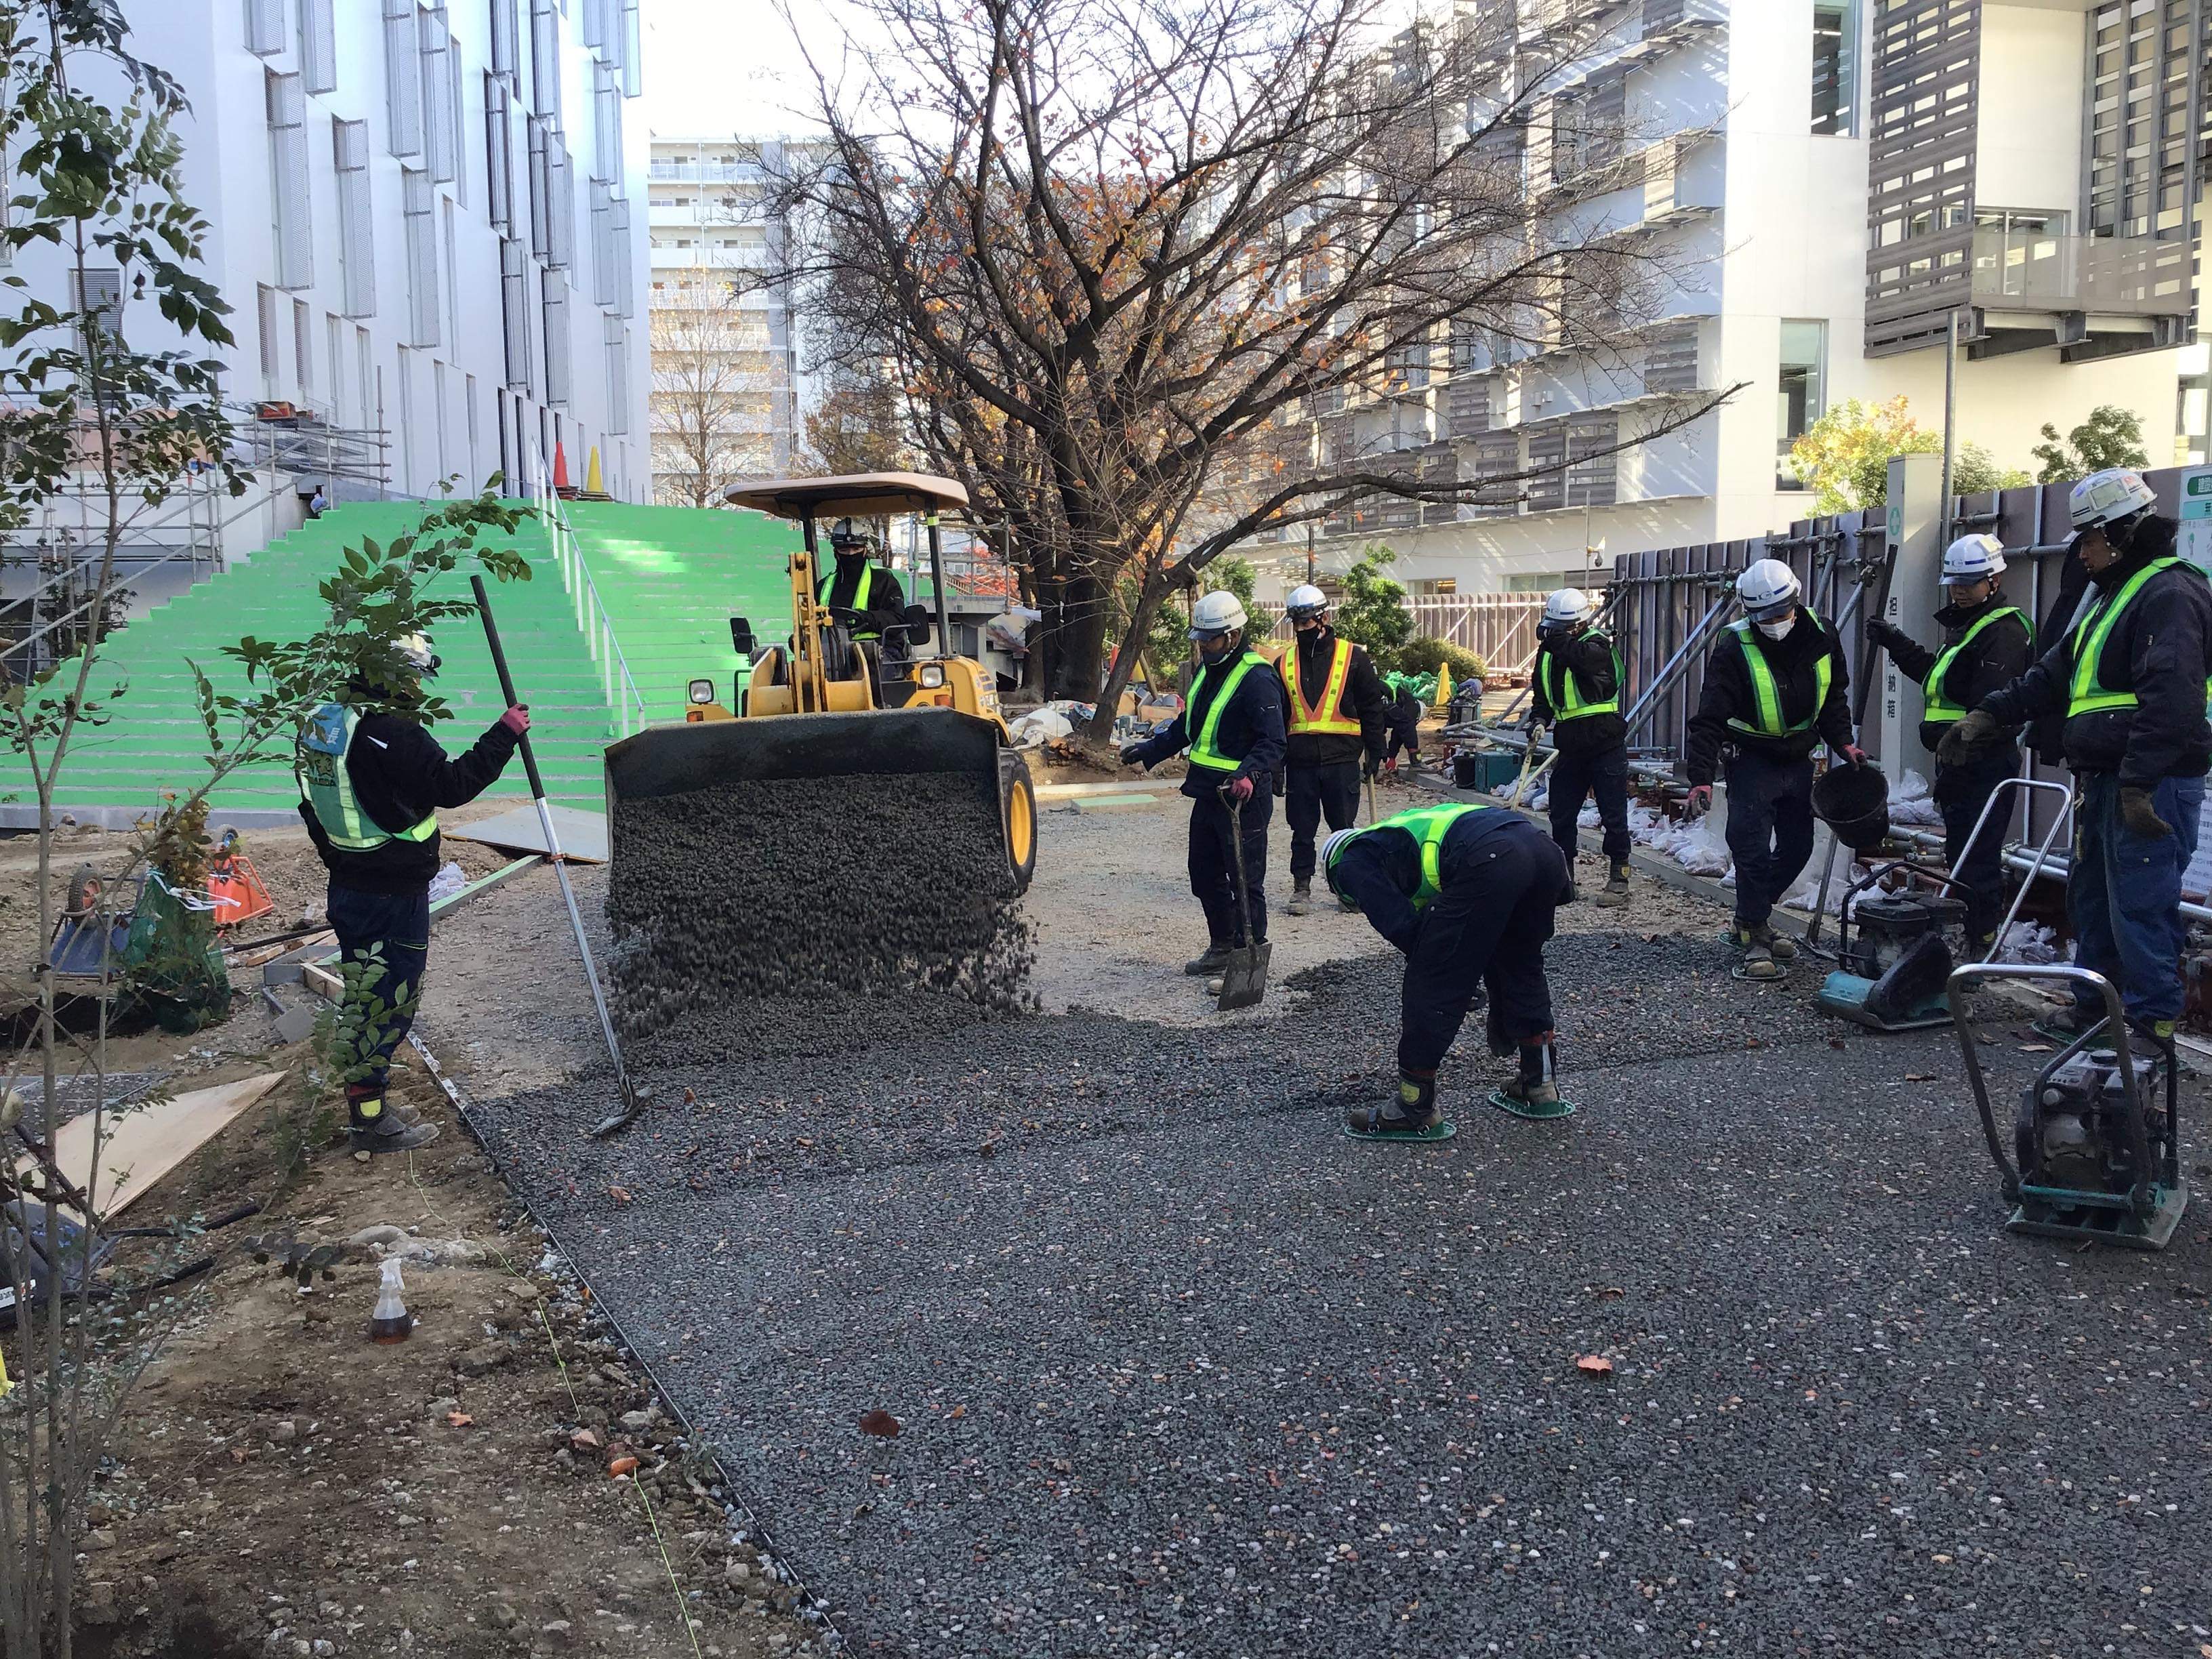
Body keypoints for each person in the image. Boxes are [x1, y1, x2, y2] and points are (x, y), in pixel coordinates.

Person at [1943, 466, 2212, 1047]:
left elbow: (2173, 699)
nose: (2082, 554)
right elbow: (2052, 675)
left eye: (2088, 540)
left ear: (2121, 533)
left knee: (2140, 903)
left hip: (2150, 782)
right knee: (2092, 896)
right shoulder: (2114, 596)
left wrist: (2140, 783)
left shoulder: (2168, 592)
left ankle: (2149, 1022)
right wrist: (1987, 715)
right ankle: (2097, 1006)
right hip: (2110, 777)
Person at [296, 632, 529, 1155]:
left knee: (364, 992)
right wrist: (505, 733)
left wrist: (338, 857)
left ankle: (365, 1105)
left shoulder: (323, 724)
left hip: (350, 884)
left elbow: (310, 804)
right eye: (414, 678)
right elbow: (451, 787)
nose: (418, 690)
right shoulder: (394, 734)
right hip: (391, 892)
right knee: (388, 1002)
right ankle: (372, 1122)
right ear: (394, 676)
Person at [1321, 802, 1575, 1134]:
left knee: (1430, 979)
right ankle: (1539, 1084)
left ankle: (1414, 1108)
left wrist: (1449, 969)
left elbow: (1401, 925)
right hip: (1544, 853)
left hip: (1493, 858)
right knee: (1519, 963)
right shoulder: (1402, 832)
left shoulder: (1350, 859)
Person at [1685, 558, 1864, 982]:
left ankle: (1752, 920)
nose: (1773, 622)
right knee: (1750, 848)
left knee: (1799, 846)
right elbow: (1709, 717)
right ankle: (1756, 936)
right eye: (1762, 615)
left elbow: (1833, 696)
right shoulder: (1734, 646)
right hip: (1752, 759)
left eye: (1780, 612)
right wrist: (1700, 778)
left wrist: (1844, 742)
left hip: (1799, 757)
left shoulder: (1822, 635)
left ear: (1795, 601)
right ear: (1749, 611)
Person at [1864, 533, 2034, 949]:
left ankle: (1981, 940)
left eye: (1968, 583)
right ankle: (1971, 934)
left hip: (1983, 762)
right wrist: (1896, 643)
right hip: (1956, 762)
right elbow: (1936, 679)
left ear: (1993, 580)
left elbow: (1991, 704)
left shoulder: (2005, 632)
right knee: (1962, 852)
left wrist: (1962, 746)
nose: (1958, 591)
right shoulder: (1969, 629)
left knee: (1977, 856)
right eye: (1954, 583)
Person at [1120, 591, 1287, 981]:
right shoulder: (1207, 673)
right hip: (1209, 793)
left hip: (1243, 798)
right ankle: (1223, 945)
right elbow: (1188, 727)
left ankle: (1249, 958)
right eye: (1199, 638)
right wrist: (1150, 750)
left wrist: (1248, 773)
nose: (1202, 645)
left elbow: (1274, 741)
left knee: (1246, 879)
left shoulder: (1258, 678)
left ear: (1232, 635)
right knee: (1204, 873)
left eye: (1208, 639)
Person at [1277, 583, 1389, 916]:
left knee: (1343, 828)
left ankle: (1348, 889)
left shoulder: (1352, 656)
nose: (1301, 629)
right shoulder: (1283, 663)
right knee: (1302, 828)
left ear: (1323, 618)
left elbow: (1371, 706)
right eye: (1296, 623)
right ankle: (1302, 887)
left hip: (1342, 758)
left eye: (1306, 622)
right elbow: (1279, 717)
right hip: (1300, 763)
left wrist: (1376, 749)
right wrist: (1274, 765)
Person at [1530, 586, 1632, 907]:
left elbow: (1585, 662)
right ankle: (1564, 878)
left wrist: (1555, 638)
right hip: (1571, 746)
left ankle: (1619, 877)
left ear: (1577, 625)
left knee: (1613, 815)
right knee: (1562, 814)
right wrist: (1539, 720)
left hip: (1605, 743)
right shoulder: (1548, 655)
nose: (1552, 634)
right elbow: (1543, 696)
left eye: (1560, 628)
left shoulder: (1598, 645)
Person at [819, 517, 908, 646]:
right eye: (844, 550)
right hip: (832, 657)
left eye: (856, 549)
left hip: (878, 653)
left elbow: (897, 620)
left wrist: (866, 618)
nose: (850, 554)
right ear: (836, 553)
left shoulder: (883, 580)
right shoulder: (823, 586)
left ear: (865, 550)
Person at [1382, 673, 1426, 771]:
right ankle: (1416, 762)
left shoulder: (1401, 704)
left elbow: (1398, 732)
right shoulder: (1411, 706)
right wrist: (1415, 754)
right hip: (1380, 697)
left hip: (1380, 699)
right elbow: (1407, 727)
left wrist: (1392, 758)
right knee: (1408, 726)